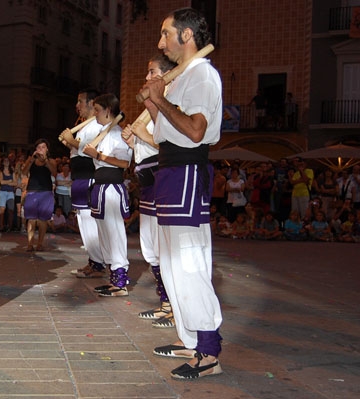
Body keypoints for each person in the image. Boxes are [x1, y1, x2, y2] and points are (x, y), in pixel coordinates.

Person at [142, 8, 223, 379]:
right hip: (170, 172)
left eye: (165, 34)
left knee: (189, 264)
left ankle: (208, 351)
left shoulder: (203, 75)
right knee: (173, 266)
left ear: (187, 35)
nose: (161, 42)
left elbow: (194, 131)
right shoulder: (180, 79)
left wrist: (160, 101)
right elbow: (166, 132)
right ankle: (189, 338)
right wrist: (152, 104)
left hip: (189, 172)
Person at [122, 52, 177, 327]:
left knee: (164, 246)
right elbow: (147, 149)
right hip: (146, 182)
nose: (146, 77)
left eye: (152, 72)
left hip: (161, 181)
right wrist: (134, 143)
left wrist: (144, 136)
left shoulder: (172, 104)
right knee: (150, 247)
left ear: (165, 76)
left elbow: (175, 144)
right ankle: (164, 302)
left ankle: (174, 307)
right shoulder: (151, 107)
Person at [82, 93, 132, 297]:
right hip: (100, 186)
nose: (94, 113)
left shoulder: (118, 133)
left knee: (115, 233)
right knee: (104, 233)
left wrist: (99, 156)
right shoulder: (102, 133)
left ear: (108, 111)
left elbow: (125, 163)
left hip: (112, 187)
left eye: (97, 110)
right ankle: (114, 278)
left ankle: (121, 280)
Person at [58, 88, 105, 278]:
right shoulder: (85, 125)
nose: (77, 106)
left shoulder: (97, 124)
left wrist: (72, 141)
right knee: (83, 221)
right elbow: (78, 149)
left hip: (89, 176)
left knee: (90, 221)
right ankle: (93, 261)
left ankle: (98, 263)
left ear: (92, 104)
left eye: (80, 102)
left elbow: (91, 149)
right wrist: (69, 144)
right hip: (79, 177)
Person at [22, 138, 57, 251]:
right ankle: (30, 243)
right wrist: (31, 160)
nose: (40, 149)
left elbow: (54, 173)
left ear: (47, 149)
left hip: (46, 191)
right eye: (38, 147)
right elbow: (24, 172)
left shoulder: (51, 161)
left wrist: (45, 161)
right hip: (32, 191)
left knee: (43, 219)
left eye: (43, 147)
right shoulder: (31, 160)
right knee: (31, 219)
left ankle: (40, 243)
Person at [0, 155, 16, 232]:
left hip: (10, 193)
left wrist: (7, 182)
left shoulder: (12, 172)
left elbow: (15, 183)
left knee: (11, 210)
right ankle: (1, 226)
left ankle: (9, 226)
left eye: (7, 161)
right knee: (2, 209)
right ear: (2, 163)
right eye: (5, 161)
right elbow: (1, 182)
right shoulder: (0, 172)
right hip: (2, 192)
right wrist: (10, 181)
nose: (6, 162)